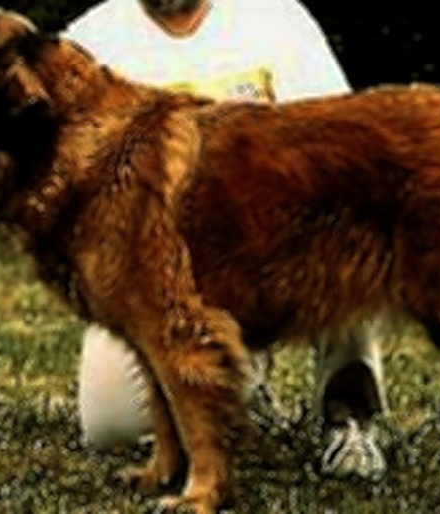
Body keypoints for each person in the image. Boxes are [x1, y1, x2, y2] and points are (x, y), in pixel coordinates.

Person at [65, 0, 386, 480]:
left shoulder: (279, 19)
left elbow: (344, 143)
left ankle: (348, 414)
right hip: (153, 275)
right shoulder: (91, 39)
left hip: (272, 251)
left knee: (352, 226)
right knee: (111, 430)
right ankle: (230, 391)